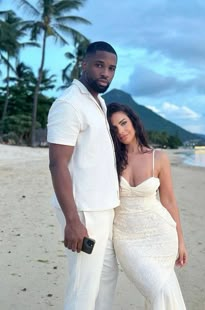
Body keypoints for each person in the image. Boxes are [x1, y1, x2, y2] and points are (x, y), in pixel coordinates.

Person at [47, 42, 120, 310]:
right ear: (84, 64)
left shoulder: (98, 102)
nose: (105, 73)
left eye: (111, 68)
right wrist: (72, 220)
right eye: (99, 65)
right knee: (83, 289)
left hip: (104, 208)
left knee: (106, 279)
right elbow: (57, 164)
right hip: (83, 211)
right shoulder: (69, 104)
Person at [107, 102, 188, 309]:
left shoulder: (158, 158)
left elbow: (168, 200)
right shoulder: (110, 160)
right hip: (126, 239)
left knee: (160, 294)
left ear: (134, 122)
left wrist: (180, 240)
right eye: (114, 128)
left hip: (161, 235)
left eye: (124, 123)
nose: (121, 131)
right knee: (159, 290)